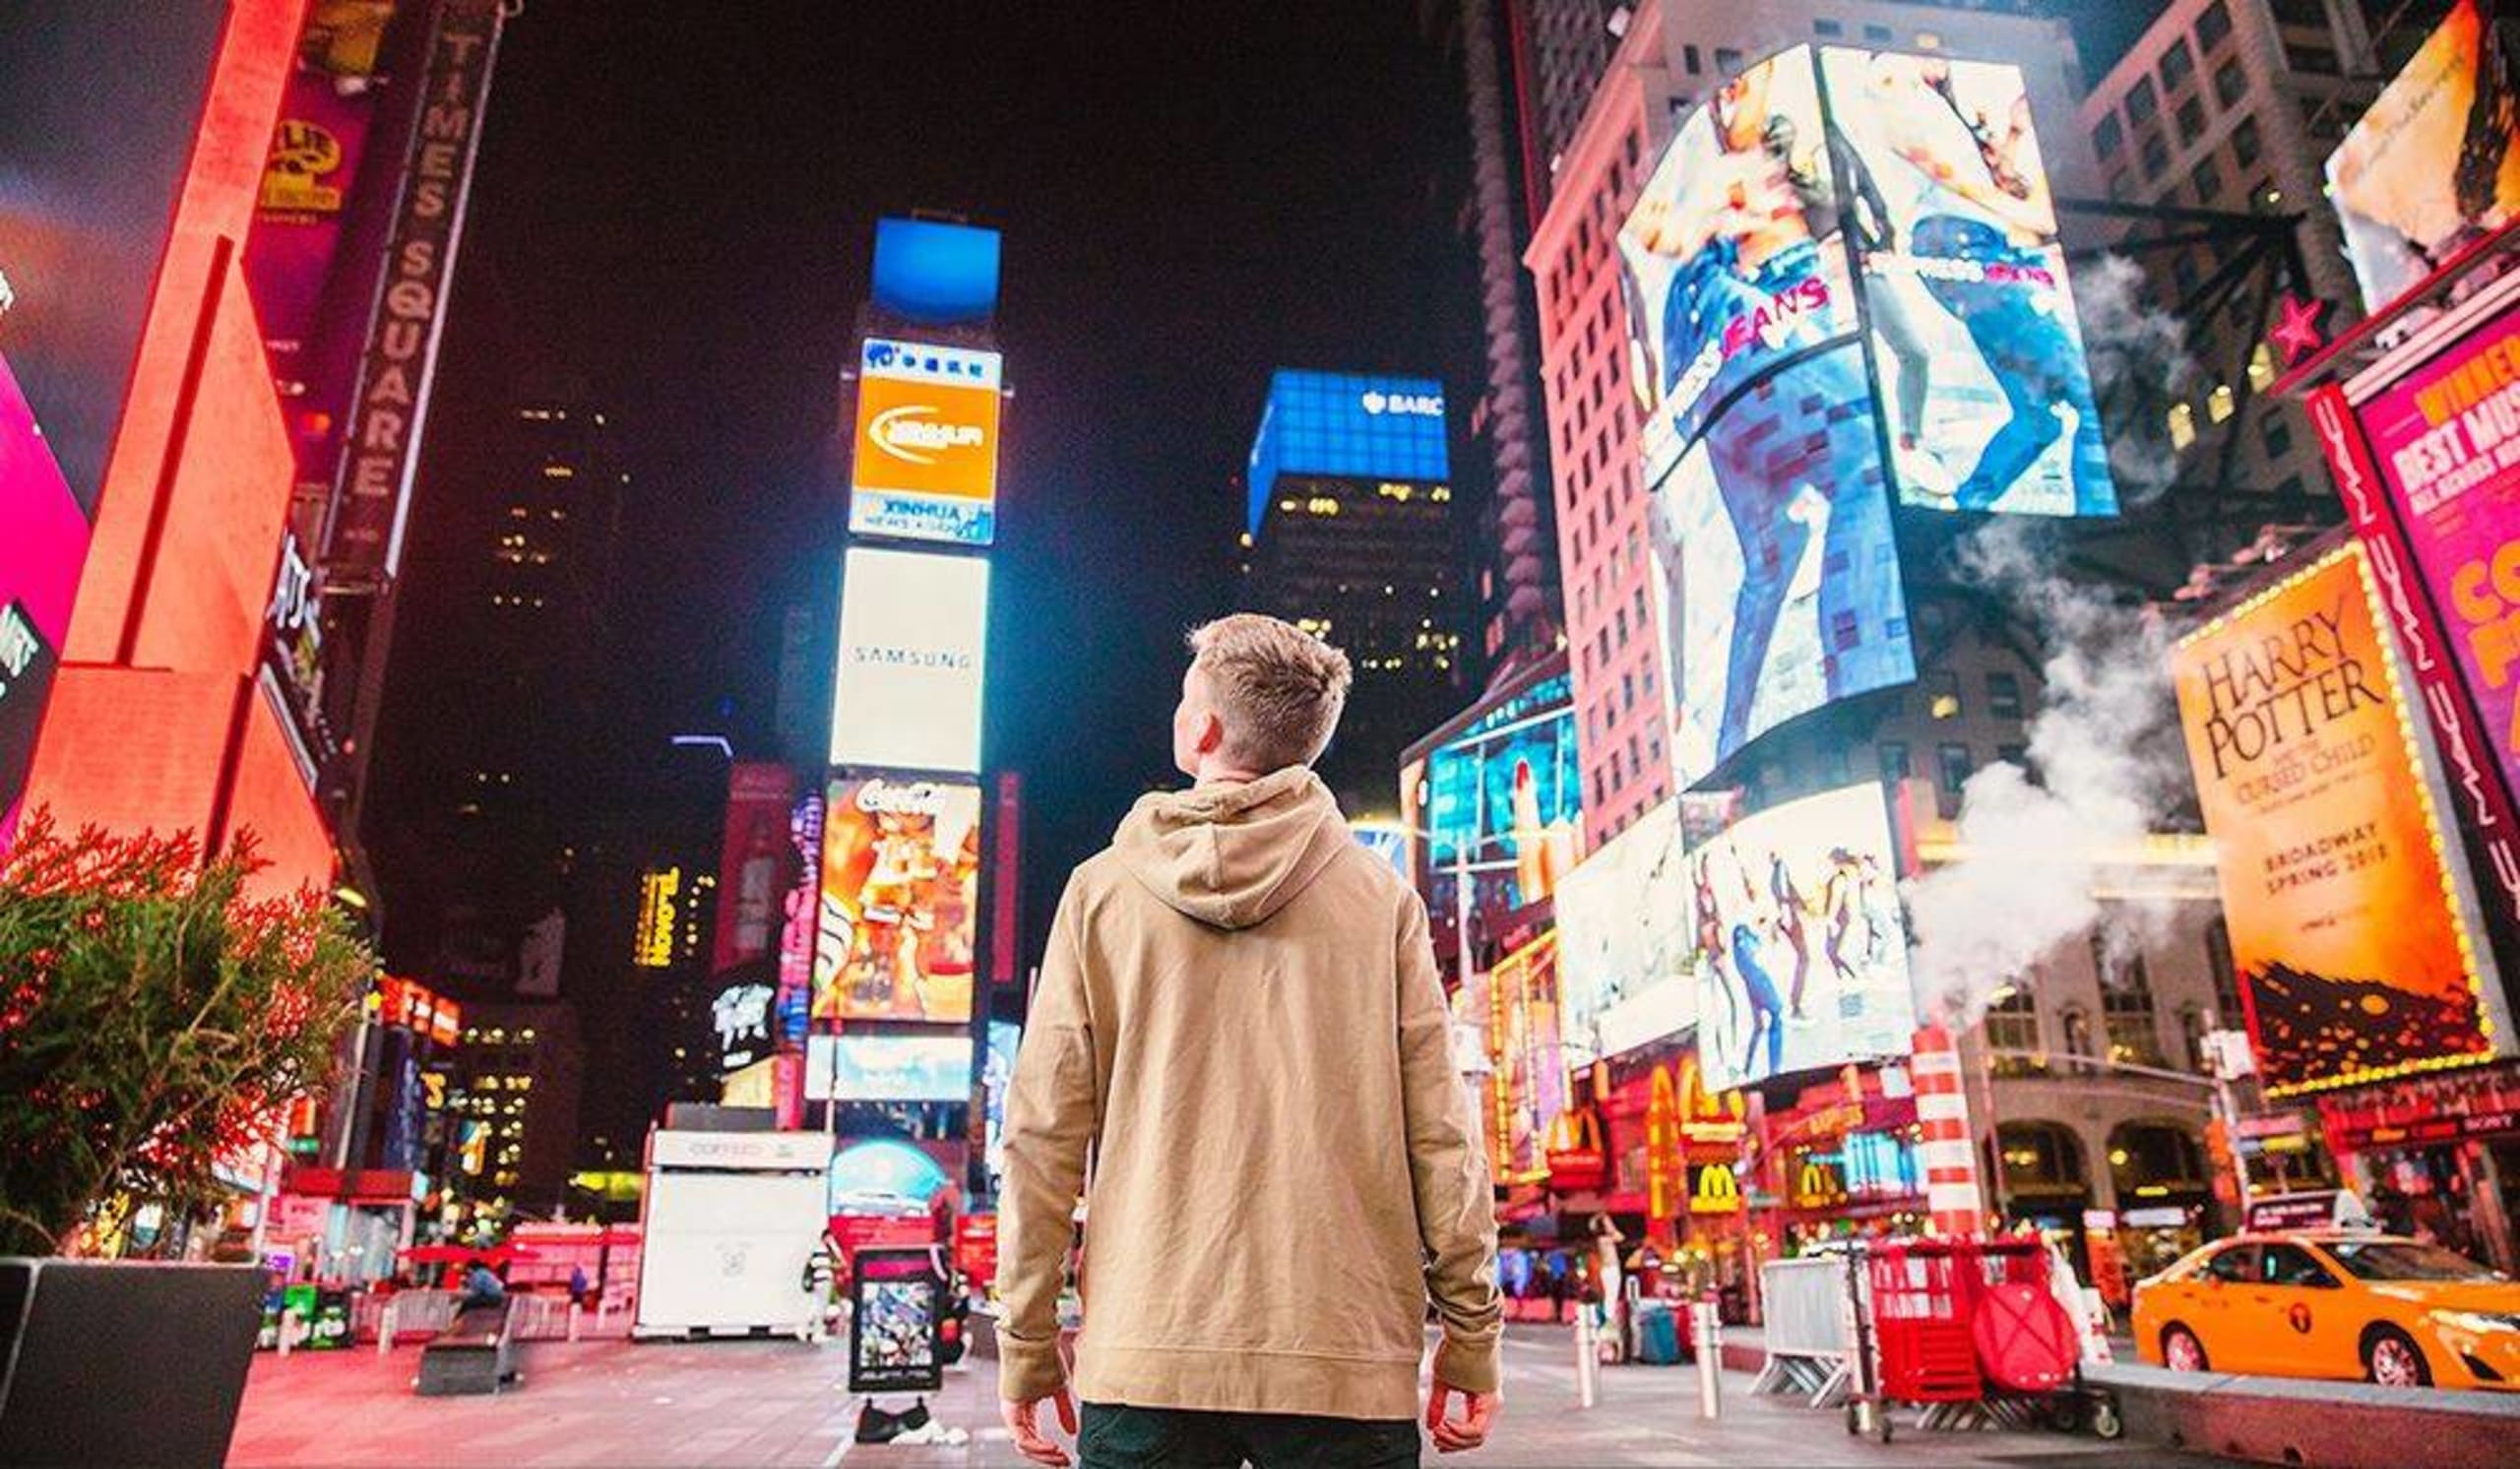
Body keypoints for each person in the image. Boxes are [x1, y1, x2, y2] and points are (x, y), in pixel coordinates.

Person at [997, 614, 1503, 1468]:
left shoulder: (1100, 894)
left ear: (1201, 730)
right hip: (1343, 1362)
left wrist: (1028, 1341)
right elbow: (1445, 1138)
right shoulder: (1382, 903)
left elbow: (1042, 1137)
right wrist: (1470, 1333)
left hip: (1146, 1357)